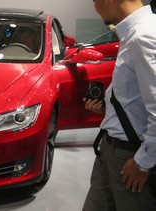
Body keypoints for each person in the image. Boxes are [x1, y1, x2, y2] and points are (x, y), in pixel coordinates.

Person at [83, 0, 156, 210]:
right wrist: (109, 111)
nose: (95, 6)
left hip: (130, 155)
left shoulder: (144, 37)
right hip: (112, 147)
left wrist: (143, 163)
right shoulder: (135, 33)